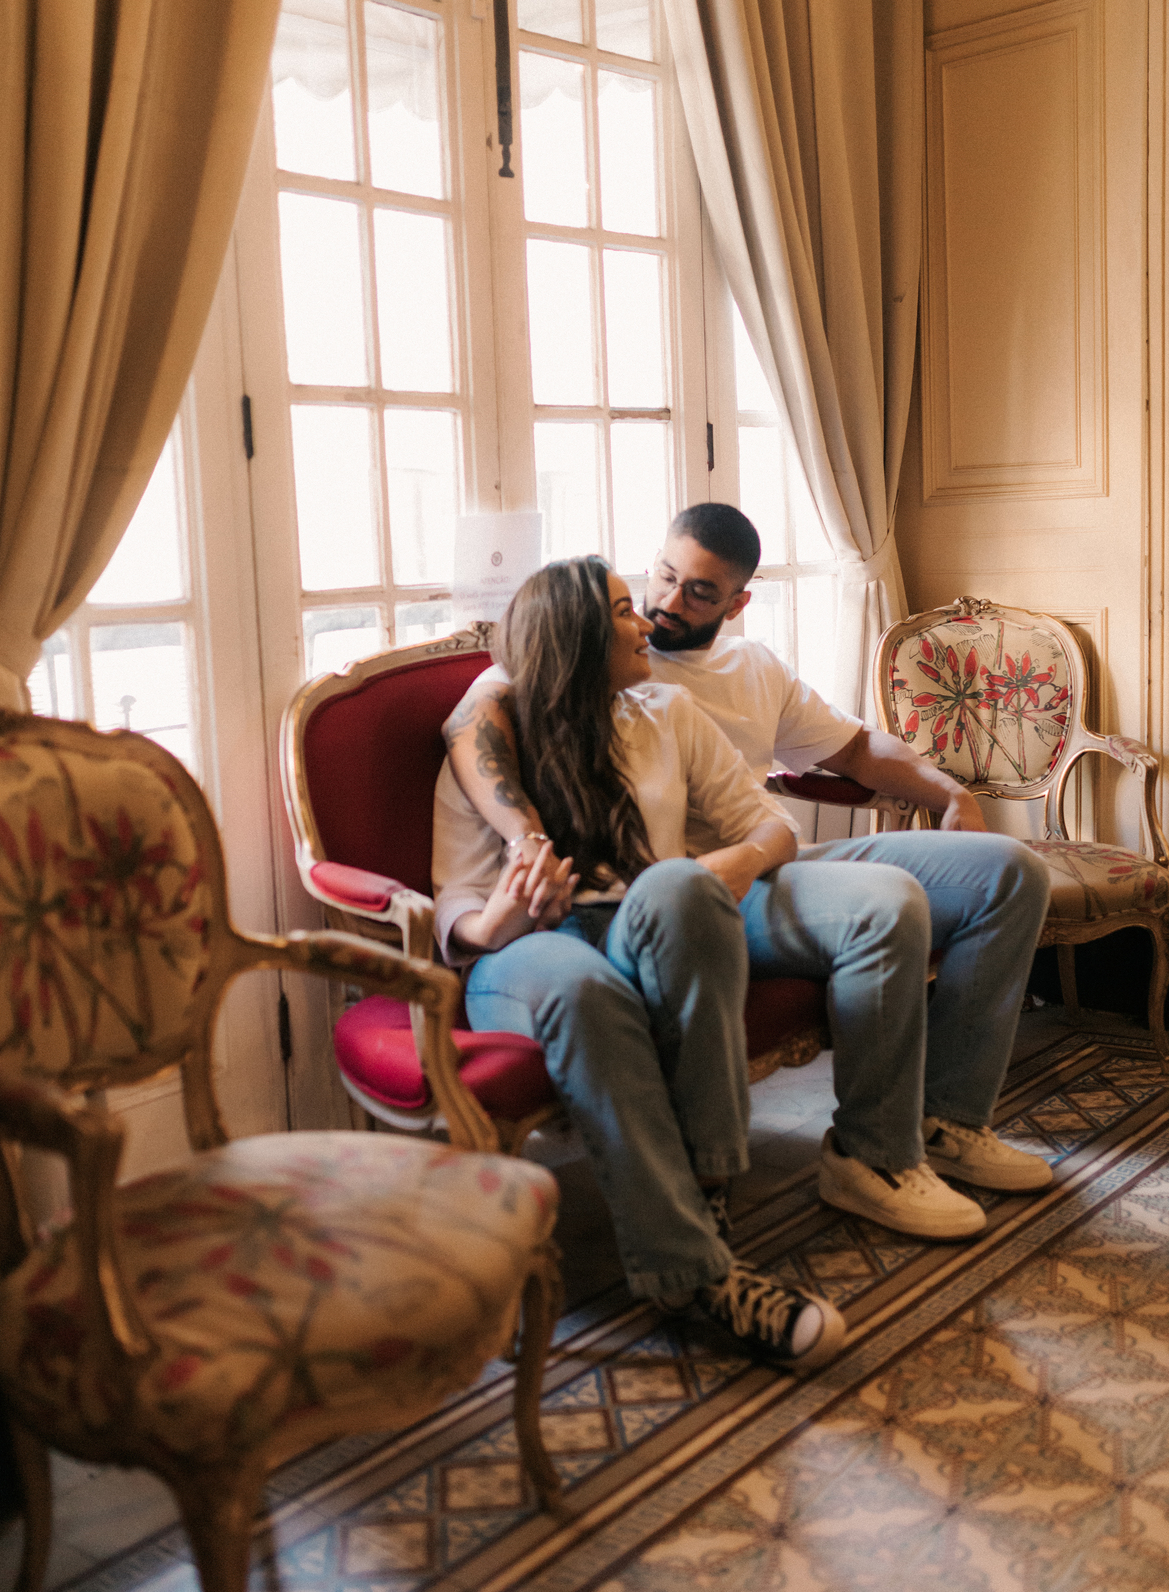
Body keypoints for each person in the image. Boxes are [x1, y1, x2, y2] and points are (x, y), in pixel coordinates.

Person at [442, 506, 1054, 1237]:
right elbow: (474, 726)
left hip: (759, 859)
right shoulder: (573, 668)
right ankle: (864, 1158)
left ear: (737, 603)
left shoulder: (743, 669)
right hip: (674, 893)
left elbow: (856, 751)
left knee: (1010, 873)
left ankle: (948, 1122)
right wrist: (524, 843)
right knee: (879, 905)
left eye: (699, 592)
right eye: (662, 578)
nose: (666, 605)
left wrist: (951, 792)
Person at [433, 556, 846, 1372]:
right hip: (522, 952)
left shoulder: (659, 711)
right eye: (624, 611)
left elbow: (762, 825)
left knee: (684, 885)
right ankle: (700, 1276)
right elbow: (458, 909)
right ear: (578, 639)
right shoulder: (490, 741)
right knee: (584, 989)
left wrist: (728, 864)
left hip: (630, 926)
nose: (646, 621)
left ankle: (707, 1190)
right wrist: (503, 916)